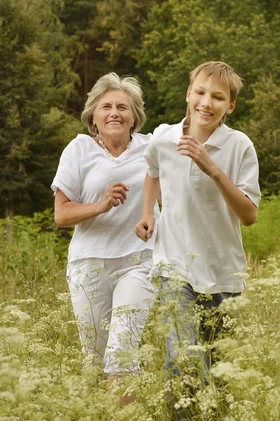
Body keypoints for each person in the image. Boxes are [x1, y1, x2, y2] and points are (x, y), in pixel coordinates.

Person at [135, 61, 260, 388]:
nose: (207, 102)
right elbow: (153, 171)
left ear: (229, 106)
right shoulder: (163, 138)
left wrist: (212, 168)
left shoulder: (239, 146)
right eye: (201, 93)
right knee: (184, 359)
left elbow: (249, 215)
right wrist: (148, 211)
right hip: (174, 266)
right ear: (189, 94)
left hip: (223, 271)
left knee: (220, 374)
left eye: (218, 97)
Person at [52, 73, 159, 389]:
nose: (115, 113)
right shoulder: (79, 149)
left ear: (134, 116)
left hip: (140, 260)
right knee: (95, 360)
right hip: (89, 265)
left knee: (122, 351)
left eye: (123, 107)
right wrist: (101, 205)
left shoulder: (151, 147)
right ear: (94, 116)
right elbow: (61, 214)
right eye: (107, 106)